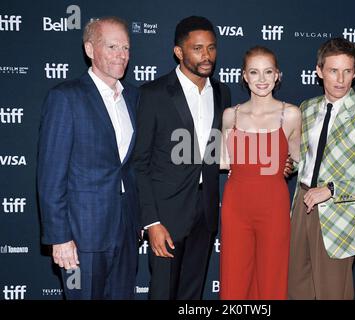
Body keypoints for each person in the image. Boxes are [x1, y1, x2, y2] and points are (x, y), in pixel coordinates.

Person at [37, 17, 140, 299]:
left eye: (126, 47)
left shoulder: (133, 98)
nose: (121, 55)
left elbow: (130, 167)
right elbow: (50, 177)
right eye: (112, 47)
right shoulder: (66, 98)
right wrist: (59, 238)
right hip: (83, 235)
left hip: (125, 229)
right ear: (90, 50)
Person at [288, 37, 355, 300]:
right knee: (295, 288)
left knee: (332, 294)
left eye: (348, 71)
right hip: (302, 204)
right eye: (333, 70)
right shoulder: (307, 108)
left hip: (340, 214)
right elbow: (304, 160)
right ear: (319, 71)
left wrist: (332, 190)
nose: (341, 79)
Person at [132, 16, 231, 300]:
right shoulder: (154, 93)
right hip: (166, 214)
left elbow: (218, 150)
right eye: (197, 48)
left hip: (206, 209)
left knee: (193, 293)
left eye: (211, 48)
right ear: (179, 52)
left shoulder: (222, 92)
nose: (206, 56)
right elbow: (140, 163)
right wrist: (151, 221)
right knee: (163, 292)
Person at [220, 46, 301, 300]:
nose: (262, 79)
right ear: (244, 76)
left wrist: (289, 165)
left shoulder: (290, 114)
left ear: (278, 75)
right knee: (234, 278)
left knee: (271, 278)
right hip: (236, 205)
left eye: (268, 72)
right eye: (254, 72)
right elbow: (222, 161)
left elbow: (298, 160)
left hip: (273, 205)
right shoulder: (230, 115)